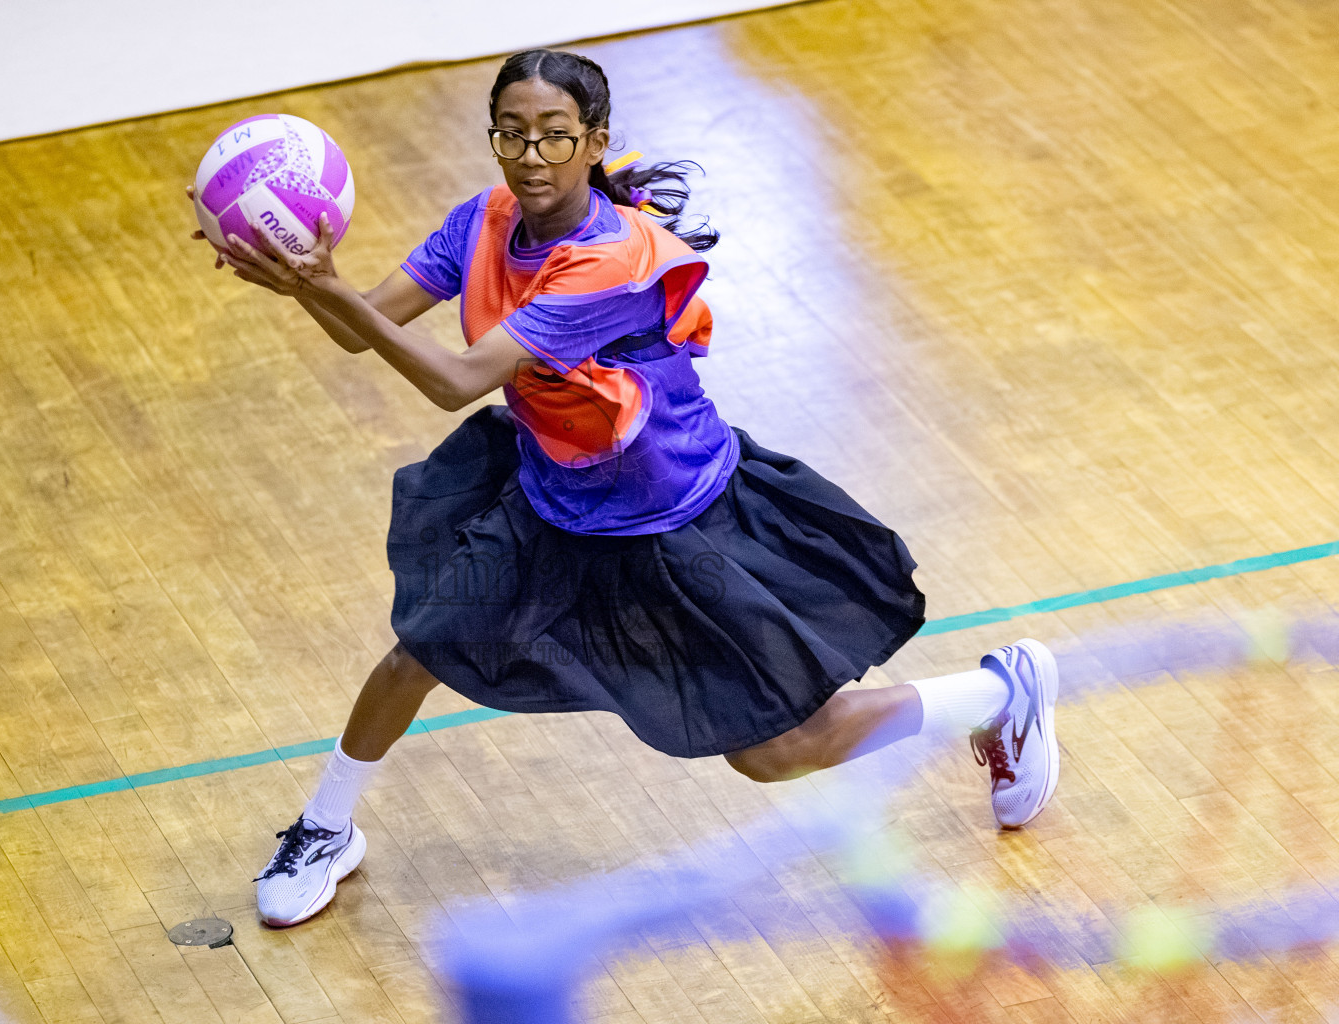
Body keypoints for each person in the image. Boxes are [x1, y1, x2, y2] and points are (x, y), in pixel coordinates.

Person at [191, 48, 1061, 929]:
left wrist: (323, 281)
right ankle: (324, 829)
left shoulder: (609, 261)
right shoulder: (481, 223)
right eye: (512, 134)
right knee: (417, 652)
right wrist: (299, 280)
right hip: (551, 501)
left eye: (555, 137)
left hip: (673, 524)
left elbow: (456, 382)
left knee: (777, 753)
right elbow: (362, 330)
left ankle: (1000, 698)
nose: (531, 156)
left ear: (594, 140)